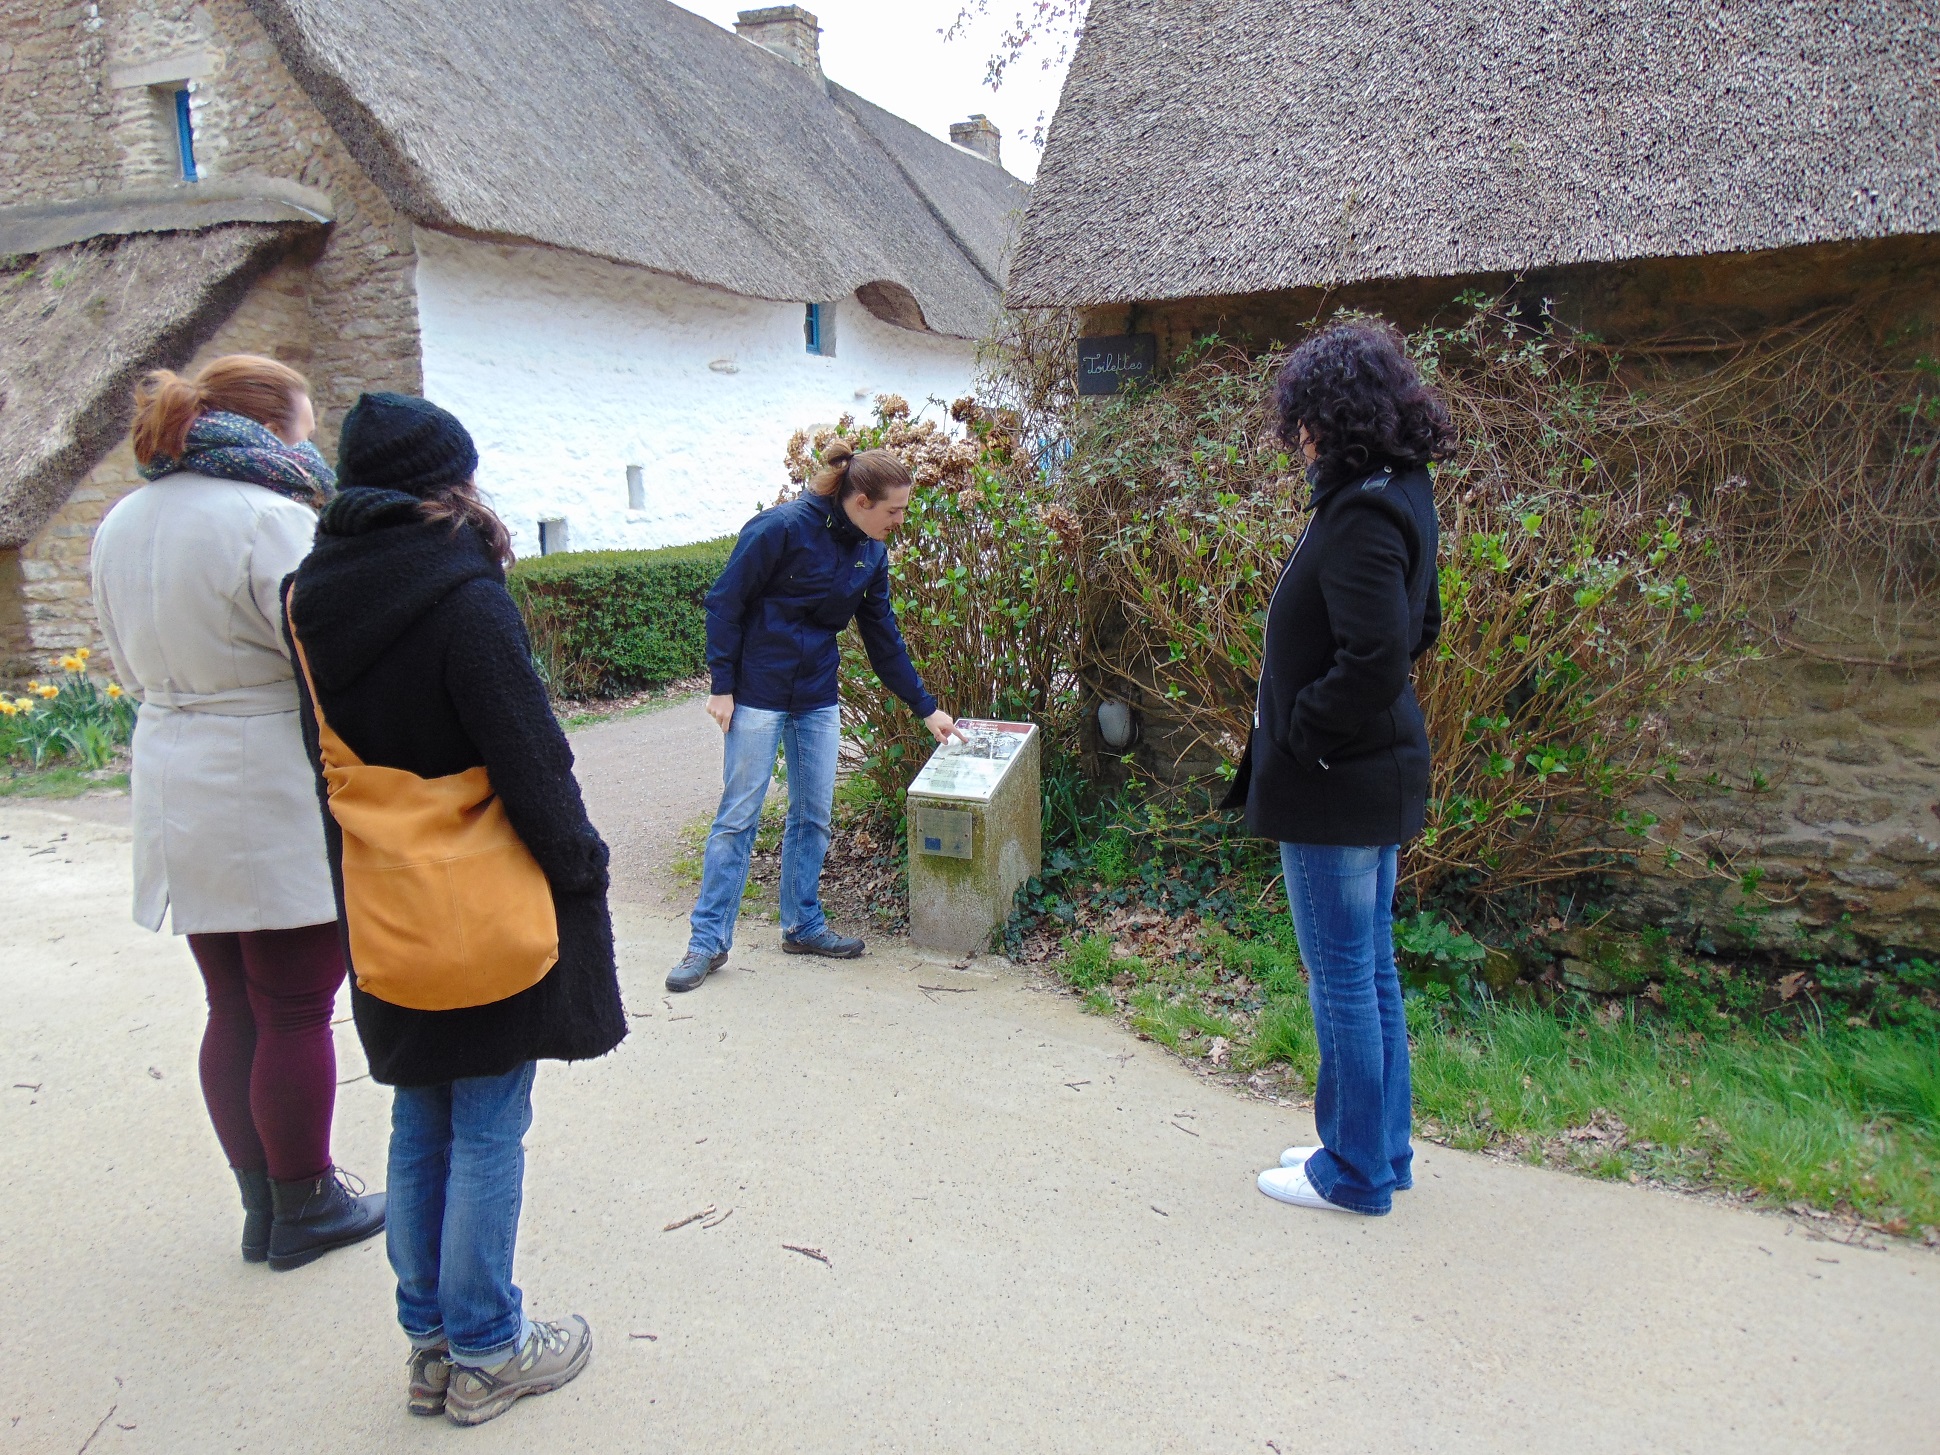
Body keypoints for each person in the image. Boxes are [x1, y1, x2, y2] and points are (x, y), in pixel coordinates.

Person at [284, 392, 626, 1425]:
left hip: (382, 890)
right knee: (486, 1121)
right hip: (480, 895)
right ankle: (488, 1347)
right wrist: (579, 866)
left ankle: (430, 1342)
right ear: (451, 483)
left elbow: (323, 759)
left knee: (418, 1108)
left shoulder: (307, 594)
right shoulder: (462, 594)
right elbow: (528, 755)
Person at [91, 354, 385, 1270]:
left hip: (173, 763)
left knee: (232, 1001)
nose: (312, 440)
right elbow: (322, 649)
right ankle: (306, 1201)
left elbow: (122, 661)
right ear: (270, 429)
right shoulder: (270, 516)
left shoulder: (121, 519)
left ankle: (264, 1202)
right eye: (304, 422)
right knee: (296, 1001)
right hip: (260, 768)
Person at [1221, 320, 1453, 1216]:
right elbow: (1420, 625)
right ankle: (1379, 1148)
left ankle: (1350, 1170)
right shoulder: (1400, 489)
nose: (1298, 436)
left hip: (1335, 782)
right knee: (1371, 967)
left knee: (1344, 975)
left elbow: (1377, 652)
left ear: (1332, 416)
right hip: (1374, 772)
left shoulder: (1359, 510)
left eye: (1304, 419)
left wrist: (1305, 735)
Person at [668, 440, 963, 992]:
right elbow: (724, 603)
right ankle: (707, 942)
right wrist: (722, 685)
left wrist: (927, 708)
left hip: (816, 697)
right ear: (861, 499)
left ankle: (802, 924)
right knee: (738, 818)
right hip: (756, 691)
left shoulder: (871, 554)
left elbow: (883, 640)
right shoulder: (778, 529)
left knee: (814, 816)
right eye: (894, 511)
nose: (900, 521)